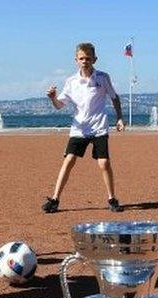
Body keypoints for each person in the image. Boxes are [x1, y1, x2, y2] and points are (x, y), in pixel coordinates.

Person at [41, 42, 125, 214]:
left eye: (88, 58)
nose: (85, 61)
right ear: (76, 60)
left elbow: (114, 98)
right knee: (69, 160)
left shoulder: (103, 77)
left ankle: (112, 199)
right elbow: (59, 105)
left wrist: (120, 118)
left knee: (104, 163)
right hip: (79, 128)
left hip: (99, 126)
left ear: (94, 59)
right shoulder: (71, 81)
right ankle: (55, 199)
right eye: (81, 58)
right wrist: (52, 98)